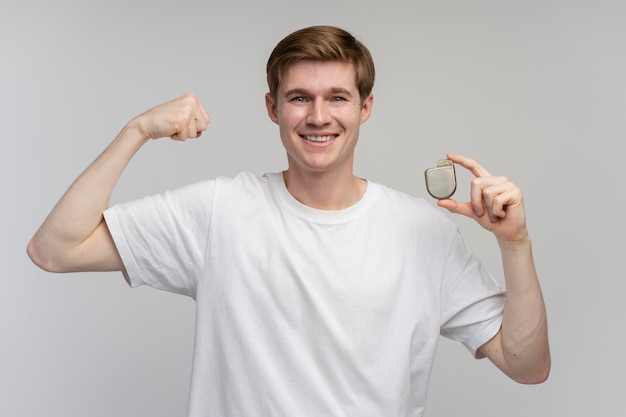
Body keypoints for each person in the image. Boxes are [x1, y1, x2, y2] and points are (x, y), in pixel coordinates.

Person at [28, 25, 550, 416]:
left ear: (365, 108)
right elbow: (54, 250)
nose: (318, 116)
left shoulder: (424, 232)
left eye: (337, 98)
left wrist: (516, 243)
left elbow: (527, 367)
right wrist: (136, 130)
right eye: (300, 97)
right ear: (273, 108)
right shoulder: (219, 212)